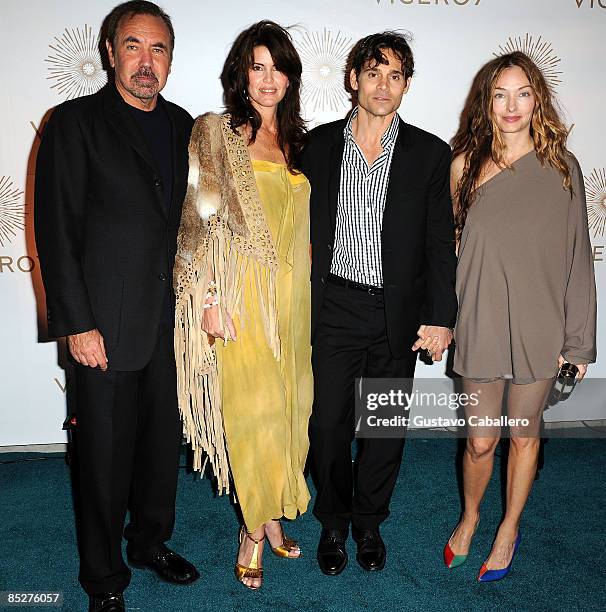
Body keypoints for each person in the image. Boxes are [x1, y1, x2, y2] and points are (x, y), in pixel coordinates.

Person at [34, 2, 198, 610]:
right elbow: (57, 233)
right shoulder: (74, 123)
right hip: (102, 324)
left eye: (159, 49)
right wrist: (78, 324)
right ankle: (102, 578)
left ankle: (149, 542)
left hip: (169, 322)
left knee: (160, 446)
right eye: (134, 46)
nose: (146, 62)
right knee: (102, 457)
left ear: (171, 58)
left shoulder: (185, 126)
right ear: (110, 51)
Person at [301, 32, 457, 575]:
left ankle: (368, 523)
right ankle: (334, 520)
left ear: (406, 85)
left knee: (384, 427)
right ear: (353, 80)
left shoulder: (431, 154)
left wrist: (440, 317)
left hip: (397, 314)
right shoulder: (316, 147)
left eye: (395, 75)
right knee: (326, 427)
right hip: (333, 308)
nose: (383, 85)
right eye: (373, 73)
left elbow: (441, 243)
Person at [444, 51, 596, 582]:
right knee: (482, 439)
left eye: (523, 93)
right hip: (481, 317)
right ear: (486, 100)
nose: (511, 106)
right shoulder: (463, 164)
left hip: (540, 323)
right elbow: (451, 248)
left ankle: (509, 527)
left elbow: (579, 258)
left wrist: (577, 343)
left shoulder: (562, 169)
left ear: (538, 100)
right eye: (500, 93)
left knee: (524, 434)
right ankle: (470, 515)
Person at [173, 21, 312, 590]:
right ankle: (253, 530)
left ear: (290, 77)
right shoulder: (215, 133)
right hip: (238, 293)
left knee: (293, 410)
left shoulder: (300, 141)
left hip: (295, 298)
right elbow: (197, 219)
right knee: (253, 414)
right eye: (257, 66)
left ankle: (276, 510)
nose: (268, 78)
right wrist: (208, 298)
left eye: (277, 67)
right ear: (241, 73)